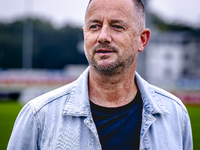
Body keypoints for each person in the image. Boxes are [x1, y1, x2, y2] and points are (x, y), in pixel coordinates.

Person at [7, 0, 193, 149]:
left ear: (142, 40)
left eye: (117, 26)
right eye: (94, 26)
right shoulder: (38, 116)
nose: (102, 36)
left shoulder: (175, 115)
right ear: (84, 34)